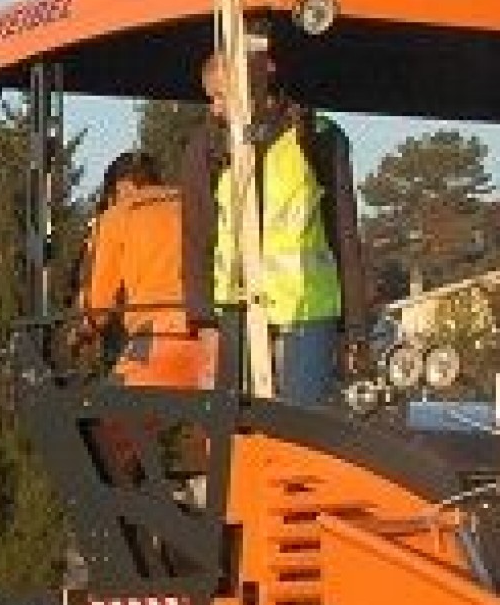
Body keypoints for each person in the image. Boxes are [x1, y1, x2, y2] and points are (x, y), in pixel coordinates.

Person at [184, 41, 367, 404]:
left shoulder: (317, 135)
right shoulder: (207, 146)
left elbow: (344, 233)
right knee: (244, 434)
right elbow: (197, 237)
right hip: (236, 312)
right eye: (212, 98)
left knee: (302, 431)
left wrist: (355, 328)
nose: (216, 108)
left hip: (308, 315)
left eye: (222, 96)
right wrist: (204, 322)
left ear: (252, 84)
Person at [79, 149, 213, 389]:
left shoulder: (117, 215)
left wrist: (81, 333)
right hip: (215, 338)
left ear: (121, 187)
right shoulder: (198, 202)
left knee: (100, 419)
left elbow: (97, 307)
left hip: (158, 340)